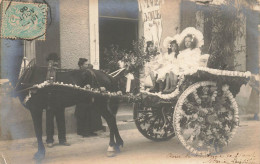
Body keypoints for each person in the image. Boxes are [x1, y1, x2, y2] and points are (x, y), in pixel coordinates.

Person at [45, 53, 70, 148]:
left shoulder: (60, 72)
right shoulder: (46, 73)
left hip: (60, 100)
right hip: (49, 100)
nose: (55, 64)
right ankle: (49, 140)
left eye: (56, 62)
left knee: (61, 121)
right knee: (49, 122)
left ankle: (62, 140)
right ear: (49, 62)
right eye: (52, 62)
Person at [75, 58, 103, 137]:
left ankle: (90, 131)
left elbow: (91, 83)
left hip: (88, 96)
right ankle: (83, 132)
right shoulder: (78, 73)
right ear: (81, 65)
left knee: (90, 114)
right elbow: (77, 85)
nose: (87, 65)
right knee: (82, 114)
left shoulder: (88, 72)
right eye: (85, 64)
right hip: (81, 97)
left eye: (87, 64)